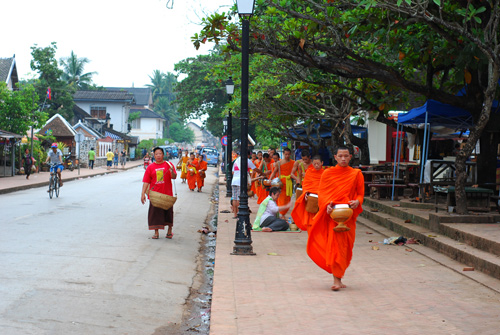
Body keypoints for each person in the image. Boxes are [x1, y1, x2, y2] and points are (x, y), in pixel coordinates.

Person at [307, 146, 364, 291]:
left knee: (346, 246)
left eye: (346, 156)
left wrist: (357, 202)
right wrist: (327, 207)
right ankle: (336, 280)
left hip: (348, 215)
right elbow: (323, 195)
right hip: (333, 216)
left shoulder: (356, 174)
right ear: (335, 157)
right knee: (336, 245)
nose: (343, 159)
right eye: (340, 156)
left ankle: (339, 276)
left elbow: (360, 194)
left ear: (350, 157)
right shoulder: (328, 173)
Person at [141, 147, 177, 239]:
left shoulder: (169, 165)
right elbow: (146, 181)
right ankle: (156, 232)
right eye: (156, 154)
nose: (158, 155)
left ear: (163, 155)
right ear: (153, 155)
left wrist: (172, 172)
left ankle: (169, 231)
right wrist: (142, 194)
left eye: (160, 153)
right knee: (155, 214)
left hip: (167, 194)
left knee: (168, 213)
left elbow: (174, 177)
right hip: (155, 195)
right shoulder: (150, 167)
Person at [291, 155, 324, 233]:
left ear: (322, 163)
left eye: (318, 164)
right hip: (311, 199)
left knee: (320, 221)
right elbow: (306, 185)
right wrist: (305, 193)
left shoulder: (325, 173)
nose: (316, 166)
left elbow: (327, 186)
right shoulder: (309, 172)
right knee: (310, 221)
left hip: (321, 199)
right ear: (312, 163)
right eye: (314, 164)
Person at [231, 150, 261, 218]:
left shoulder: (236, 161)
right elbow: (255, 169)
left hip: (234, 181)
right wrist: (263, 173)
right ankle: (239, 213)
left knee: (234, 198)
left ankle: (235, 214)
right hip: (240, 182)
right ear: (247, 155)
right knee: (239, 198)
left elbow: (233, 172)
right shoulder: (247, 160)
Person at [269, 147, 295, 218]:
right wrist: (270, 179)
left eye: (288, 154)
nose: (287, 156)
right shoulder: (279, 163)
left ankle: (283, 213)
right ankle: (282, 214)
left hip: (289, 183)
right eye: (286, 154)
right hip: (281, 184)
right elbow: (274, 172)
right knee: (282, 199)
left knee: (288, 198)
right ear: (283, 154)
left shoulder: (293, 162)